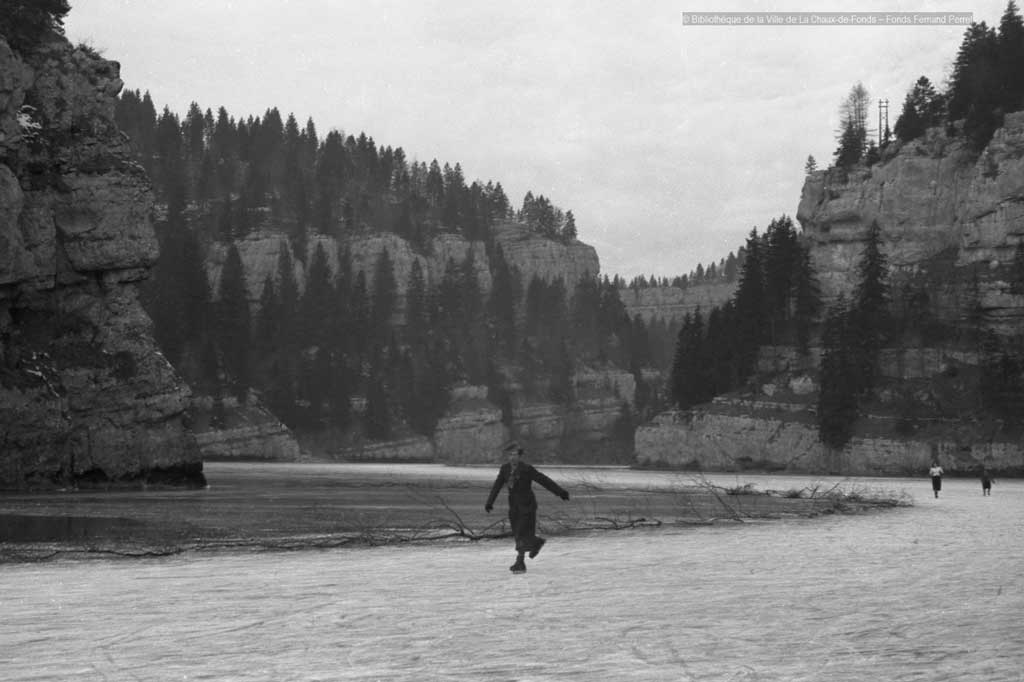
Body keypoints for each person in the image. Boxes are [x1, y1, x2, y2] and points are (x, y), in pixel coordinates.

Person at [485, 441, 569, 574]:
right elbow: (497, 485)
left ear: (519, 456)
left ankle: (521, 561)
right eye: (510, 455)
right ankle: (535, 545)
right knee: (519, 535)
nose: (512, 457)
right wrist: (490, 502)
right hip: (513, 506)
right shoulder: (505, 469)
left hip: (527, 505)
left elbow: (543, 480)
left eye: (515, 455)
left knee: (521, 534)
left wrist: (560, 492)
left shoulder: (527, 469)